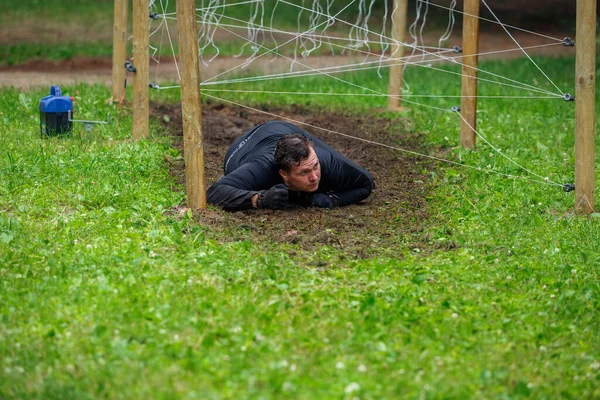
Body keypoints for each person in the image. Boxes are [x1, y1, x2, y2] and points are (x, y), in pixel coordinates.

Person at [207, 120, 374, 211]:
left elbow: (366, 183)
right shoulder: (262, 168)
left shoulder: (324, 162)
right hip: (241, 148)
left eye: (315, 167)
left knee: (324, 163)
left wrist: (330, 200)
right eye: (304, 173)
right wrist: (260, 199)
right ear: (284, 174)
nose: (314, 177)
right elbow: (213, 193)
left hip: (280, 128)